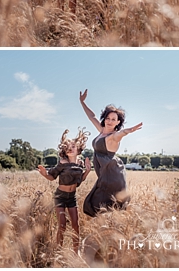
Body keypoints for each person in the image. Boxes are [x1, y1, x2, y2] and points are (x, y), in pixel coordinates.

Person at [78, 89, 142, 217]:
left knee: (101, 204)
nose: (109, 121)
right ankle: (108, 231)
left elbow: (120, 134)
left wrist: (129, 130)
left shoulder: (113, 137)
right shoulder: (102, 131)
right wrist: (82, 102)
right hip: (105, 173)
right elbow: (92, 117)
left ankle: (111, 231)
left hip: (112, 175)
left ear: (118, 122)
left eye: (113, 119)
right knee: (103, 206)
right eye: (108, 118)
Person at [38, 128, 91, 252]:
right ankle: (59, 251)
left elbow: (80, 181)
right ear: (65, 151)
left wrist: (87, 171)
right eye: (68, 147)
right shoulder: (62, 163)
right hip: (60, 196)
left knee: (76, 226)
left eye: (73, 146)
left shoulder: (80, 164)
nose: (70, 148)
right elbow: (52, 177)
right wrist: (45, 174)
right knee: (62, 225)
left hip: (72, 197)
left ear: (78, 149)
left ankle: (75, 252)